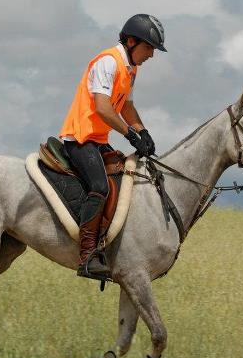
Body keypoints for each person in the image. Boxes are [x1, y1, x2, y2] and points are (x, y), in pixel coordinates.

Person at [60, 14, 167, 280]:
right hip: (80, 138)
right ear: (131, 41)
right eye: (149, 47)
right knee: (100, 186)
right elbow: (103, 108)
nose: (151, 55)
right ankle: (86, 257)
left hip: (97, 141)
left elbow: (127, 107)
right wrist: (130, 134)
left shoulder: (131, 68)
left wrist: (143, 131)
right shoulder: (108, 62)